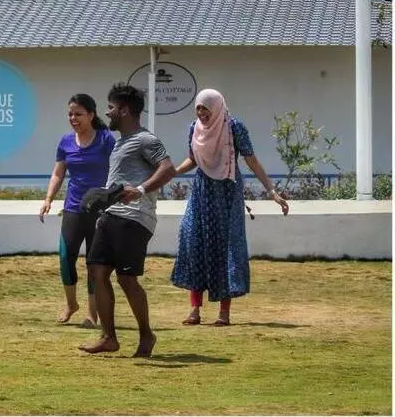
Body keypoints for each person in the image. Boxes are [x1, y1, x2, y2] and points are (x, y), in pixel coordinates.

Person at [170, 89, 289, 326]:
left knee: (225, 248)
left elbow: (251, 160)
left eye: (206, 108)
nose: (202, 113)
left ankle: (224, 312)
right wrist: (170, 173)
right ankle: (194, 309)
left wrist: (272, 191)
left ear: (217, 106)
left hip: (227, 192)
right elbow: (193, 159)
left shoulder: (234, 127)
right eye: (199, 108)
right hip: (202, 192)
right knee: (194, 241)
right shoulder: (194, 129)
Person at [78, 84, 175, 357]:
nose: (107, 112)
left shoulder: (146, 140)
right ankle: (108, 338)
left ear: (125, 110)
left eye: (111, 107)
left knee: (126, 278)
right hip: (111, 217)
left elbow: (169, 168)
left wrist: (141, 189)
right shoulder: (120, 142)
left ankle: (146, 335)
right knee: (96, 272)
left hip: (135, 219)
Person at [39, 94, 116, 328]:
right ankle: (71, 303)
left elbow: (117, 170)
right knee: (65, 257)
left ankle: (93, 314)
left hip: (99, 211)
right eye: (70, 114)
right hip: (73, 208)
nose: (73, 118)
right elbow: (58, 173)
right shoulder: (65, 142)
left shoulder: (106, 139)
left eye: (78, 114)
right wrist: (48, 199)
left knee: (94, 263)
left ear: (91, 115)